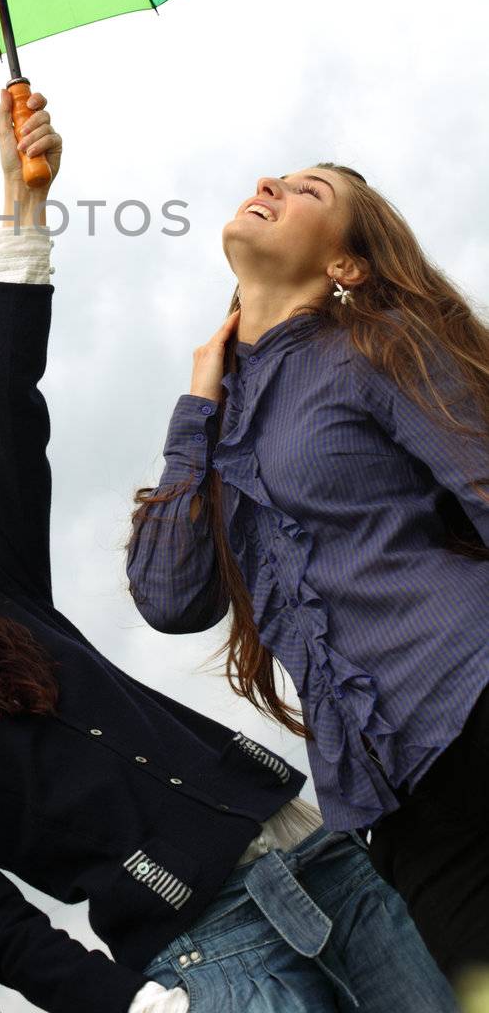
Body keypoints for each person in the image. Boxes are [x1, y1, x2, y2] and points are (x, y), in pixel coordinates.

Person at [0, 98, 455, 1013]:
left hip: (320, 862)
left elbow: (9, 415)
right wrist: (121, 1006)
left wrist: (21, 205)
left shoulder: (9, 603)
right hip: (202, 955)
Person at [126, 162, 489, 983]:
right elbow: (170, 599)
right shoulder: (212, 422)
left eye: (308, 192)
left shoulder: (376, 344)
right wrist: (195, 413)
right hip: (393, 792)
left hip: (473, 686)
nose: (268, 182)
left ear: (345, 267)